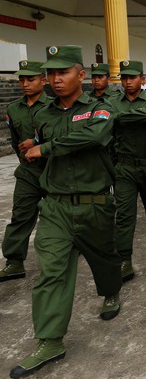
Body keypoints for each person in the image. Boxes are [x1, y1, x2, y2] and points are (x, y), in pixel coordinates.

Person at [10, 45, 122, 378]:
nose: (55, 80)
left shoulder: (101, 109)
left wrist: (45, 147)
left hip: (94, 203)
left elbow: (93, 137)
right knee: (51, 273)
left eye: (63, 73)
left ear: (81, 74)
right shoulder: (43, 114)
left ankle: (111, 292)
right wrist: (33, 148)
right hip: (56, 205)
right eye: (51, 74)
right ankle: (50, 339)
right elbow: (36, 146)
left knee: (104, 259)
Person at [110, 60, 146, 283]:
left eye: (132, 77)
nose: (127, 82)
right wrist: (126, 117)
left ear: (142, 80)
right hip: (124, 167)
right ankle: (125, 258)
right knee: (124, 215)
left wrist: (118, 117)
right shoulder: (115, 101)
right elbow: (110, 124)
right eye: (124, 78)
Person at [0, 61, 51, 282]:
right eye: (22, 79)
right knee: (20, 215)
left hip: (53, 170)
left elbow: (63, 135)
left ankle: (65, 252)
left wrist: (37, 142)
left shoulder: (55, 106)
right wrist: (24, 157)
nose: (25, 84)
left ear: (43, 80)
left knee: (57, 217)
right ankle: (14, 261)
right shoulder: (13, 108)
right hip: (28, 173)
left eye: (31, 79)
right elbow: (15, 140)